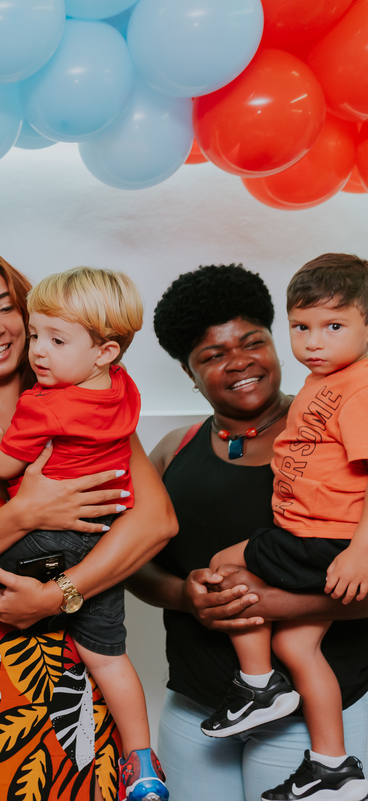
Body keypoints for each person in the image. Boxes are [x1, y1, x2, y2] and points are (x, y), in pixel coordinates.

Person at [0, 243, 177, 801]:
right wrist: (25, 512)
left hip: (74, 675)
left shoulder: (81, 398)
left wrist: (58, 596)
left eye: (6, 308)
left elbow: (157, 522)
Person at [132, 262, 368, 801]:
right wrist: (184, 597)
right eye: (212, 356)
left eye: (251, 342)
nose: (238, 362)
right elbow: (134, 563)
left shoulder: (332, 431)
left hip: (314, 716)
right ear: (188, 373)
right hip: (196, 708)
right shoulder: (172, 450)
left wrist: (273, 605)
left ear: (274, 342)